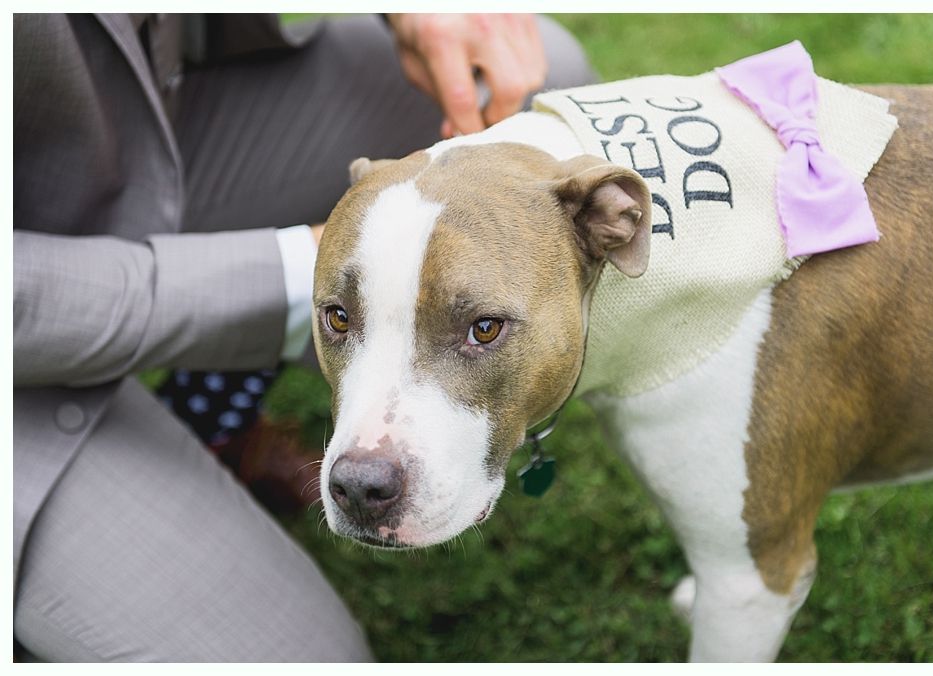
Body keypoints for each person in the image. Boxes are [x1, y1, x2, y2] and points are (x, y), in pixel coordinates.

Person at [12, 13, 595, 661]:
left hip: (119, 118)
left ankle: (212, 415)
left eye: (482, 327)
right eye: (340, 320)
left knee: (519, 72)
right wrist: (297, 267)